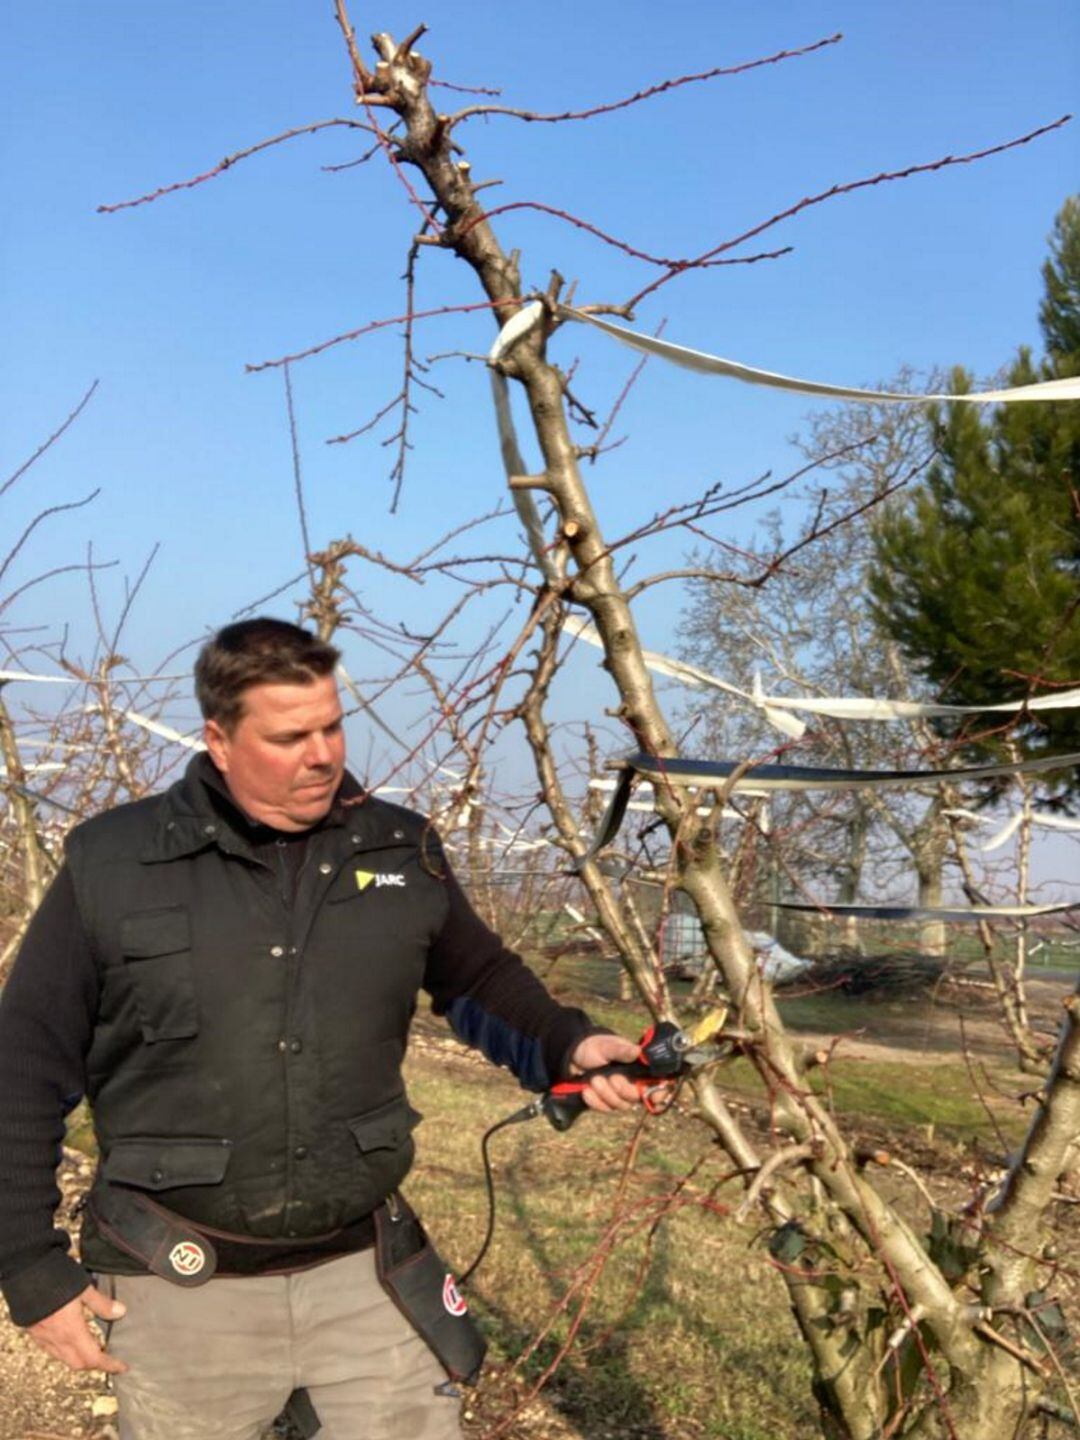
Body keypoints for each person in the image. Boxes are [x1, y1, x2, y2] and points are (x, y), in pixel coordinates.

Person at [0, 617, 642, 1440]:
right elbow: (23, 1065)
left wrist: (569, 1043)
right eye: (289, 737)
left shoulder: (399, 850)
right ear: (219, 741)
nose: (323, 756)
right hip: (179, 1282)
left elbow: (478, 979)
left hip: (364, 1273)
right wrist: (29, 1266)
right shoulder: (114, 864)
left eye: (333, 727)